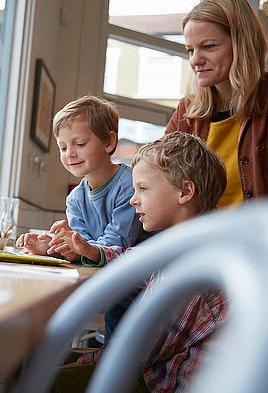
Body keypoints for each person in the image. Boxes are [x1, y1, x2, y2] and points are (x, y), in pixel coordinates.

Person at [49, 131, 228, 392]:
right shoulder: (177, 245)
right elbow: (136, 260)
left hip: (160, 382)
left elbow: (137, 353)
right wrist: (90, 251)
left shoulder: (193, 268)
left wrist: (73, 364)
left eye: (143, 189)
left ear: (185, 191)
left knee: (39, 379)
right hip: (150, 369)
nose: (133, 199)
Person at [166, 0, 268, 214]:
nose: (195, 60)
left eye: (208, 46)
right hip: (204, 244)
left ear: (241, 44)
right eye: (191, 50)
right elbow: (156, 182)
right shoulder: (187, 112)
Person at [16, 95, 146, 261]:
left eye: (80, 144)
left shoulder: (130, 187)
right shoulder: (75, 199)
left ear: (109, 142)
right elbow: (80, 248)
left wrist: (77, 248)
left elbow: (117, 244)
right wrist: (51, 248)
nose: (69, 153)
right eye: (63, 147)